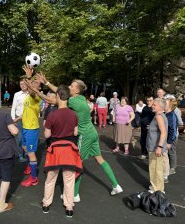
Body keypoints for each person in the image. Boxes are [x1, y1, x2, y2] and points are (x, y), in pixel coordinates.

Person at [28, 73, 123, 200]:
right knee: (100, 159)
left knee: (77, 163)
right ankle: (116, 186)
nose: (69, 87)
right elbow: (61, 92)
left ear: (77, 90)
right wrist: (46, 83)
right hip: (93, 133)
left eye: (72, 86)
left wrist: (35, 90)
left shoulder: (73, 102)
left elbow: (52, 99)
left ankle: (75, 195)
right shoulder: (81, 98)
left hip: (85, 136)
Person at [42, 85, 82, 218]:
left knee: (50, 179)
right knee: (69, 180)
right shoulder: (73, 114)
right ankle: (69, 206)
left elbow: (47, 135)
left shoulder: (52, 115)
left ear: (58, 96)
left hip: (56, 150)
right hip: (69, 150)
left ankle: (46, 204)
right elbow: (76, 132)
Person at [20, 70, 42, 187]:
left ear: (39, 86)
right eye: (32, 82)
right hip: (25, 127)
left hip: (32, 129)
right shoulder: (28, 97)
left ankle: (34, 178)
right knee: (24, 147)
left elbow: (32, 91)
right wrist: (16, 119)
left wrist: (29, 77)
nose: (33, 84)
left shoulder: (36, 96)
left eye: (36, 83)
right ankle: (30, 165)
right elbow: (26, 111)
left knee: (31, 152)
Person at [147, 98, 168, 193]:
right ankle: (155, 186)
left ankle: (158, 189)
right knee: (154, 167)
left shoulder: (159, 116)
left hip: (155, 147)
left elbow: (163, 132)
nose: (152, 105)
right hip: (154, 147)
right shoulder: (159, 115)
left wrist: (159, 147)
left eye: (155, 104)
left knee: (156, 168)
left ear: (160, 107)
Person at [11, 79, 29, 162]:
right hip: (18, 118)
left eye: (24, 83)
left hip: (29, 118)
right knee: (20, 137)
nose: (22, 85)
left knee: (27, 136)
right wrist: (13, 119)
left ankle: (27, 153)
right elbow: (13, 107)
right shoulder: (17, 94)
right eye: (21, 84)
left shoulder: (30, 94)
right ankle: (20, 154)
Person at [164, 97, 178, 183]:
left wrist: (169, 142)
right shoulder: (165, 114)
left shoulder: (171, 115)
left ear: (169, 106)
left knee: (169, 155)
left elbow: (172, 130)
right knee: (165, 156)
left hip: (170, 139)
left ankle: (168, 172)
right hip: (165, 138)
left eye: (165, 103)